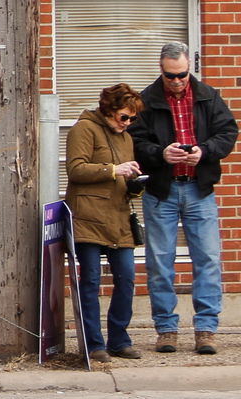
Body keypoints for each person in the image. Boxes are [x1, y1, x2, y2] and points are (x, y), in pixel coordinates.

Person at [130, 41, 237, 356]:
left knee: (208, 260)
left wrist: (203, 152)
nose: (176, 81)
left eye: (182, 75)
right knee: (160, 262)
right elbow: (134, 141)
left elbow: (228, 133)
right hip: (161, 190)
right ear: (160, 69)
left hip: (198, 188)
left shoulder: (207, 96)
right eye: (170, 75)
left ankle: (206, 329)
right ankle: (166, 329)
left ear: (189, 67)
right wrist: (161, 153)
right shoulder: (147, 100)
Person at [64, 83, 144, 362]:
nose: (128, 123)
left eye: (133, 118)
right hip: (88, 217)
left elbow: (123, 175)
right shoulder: (83, 129)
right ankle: (93, 344)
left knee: (127, 278)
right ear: (109, 110)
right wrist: (113, 170)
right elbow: (75, 169)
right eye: (124, 117)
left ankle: (119, 339)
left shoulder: (126, 138)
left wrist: (134, 179)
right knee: (91, 281)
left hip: (118, 217)